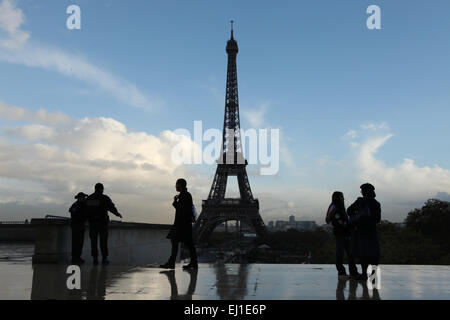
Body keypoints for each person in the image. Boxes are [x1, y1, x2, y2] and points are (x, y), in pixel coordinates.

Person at [160, 178, 198, 270]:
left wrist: (175, 202)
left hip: (181, 224)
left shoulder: (184, 195)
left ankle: (172, 263)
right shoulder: (185, 195)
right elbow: (185, 209)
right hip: (184, 224)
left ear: (180, 185)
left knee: (177, 242)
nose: (175, 186)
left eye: (176, 184)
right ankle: (193, 263)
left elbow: (182, 210)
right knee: (187, 244)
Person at [347, 183, 381, 281]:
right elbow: (377, 219)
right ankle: (373, 276)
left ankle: (365, 274)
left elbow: (349, 210)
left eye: (362, 190)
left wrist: (358, 217)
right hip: (371, 231)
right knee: (374, 254)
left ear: (364, 191)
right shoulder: (376, 203)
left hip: (362, 231)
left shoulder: (360, 201)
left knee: (363, 254)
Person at [86, 183, 122, 265]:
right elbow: (111, 207)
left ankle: (95, 259)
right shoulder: (105, 198)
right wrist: (117, 213)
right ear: (102, 189)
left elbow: (86, 211)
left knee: (93, 242)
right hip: (102, 223)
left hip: (93, 224)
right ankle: (104, 259)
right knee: (103, 242)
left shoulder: (89, 198)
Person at [326, 191, 358, 279]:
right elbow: (328, 219)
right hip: (340, 233)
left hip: (344, 232)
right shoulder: (334, 207)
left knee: (349, 253)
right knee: (341, 252)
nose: (343, 198)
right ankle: (342, 272)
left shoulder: (338, 207)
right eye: (342, 197)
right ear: (338, 198)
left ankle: (353, 271)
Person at [69, 192, 88, 264]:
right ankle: (75, 258)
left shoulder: (80, 205)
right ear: (79, 198)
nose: (84, 198)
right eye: (83, 197)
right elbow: (75, 215)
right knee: (76, 243)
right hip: (77, 225)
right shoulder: (76, 205)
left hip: (79, 225)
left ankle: (77, 257)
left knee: (79, 243)